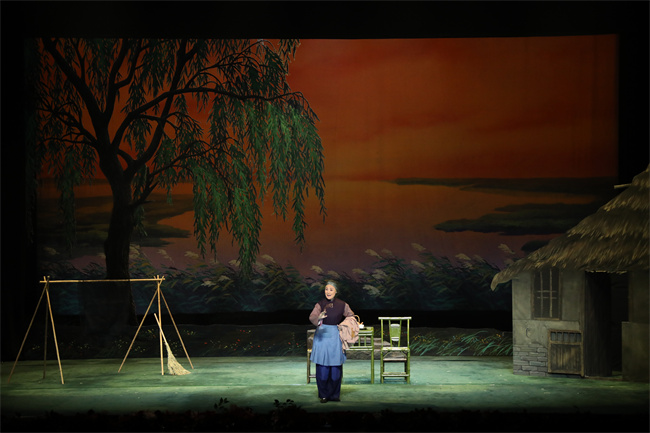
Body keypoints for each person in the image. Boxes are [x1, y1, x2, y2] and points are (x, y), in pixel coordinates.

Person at [308, 281, 355, 403]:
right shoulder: (320, 304)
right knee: (322, 369)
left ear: (336, 291)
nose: (328, 292)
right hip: (322, 336)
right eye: (326, 289)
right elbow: (312, 316)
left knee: (335, 370)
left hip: (335, 335)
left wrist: (344, 325)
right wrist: (319, 318)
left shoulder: (342, 304)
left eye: (331, 289)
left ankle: (334, 395)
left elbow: (351, 316)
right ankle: (323, 395)